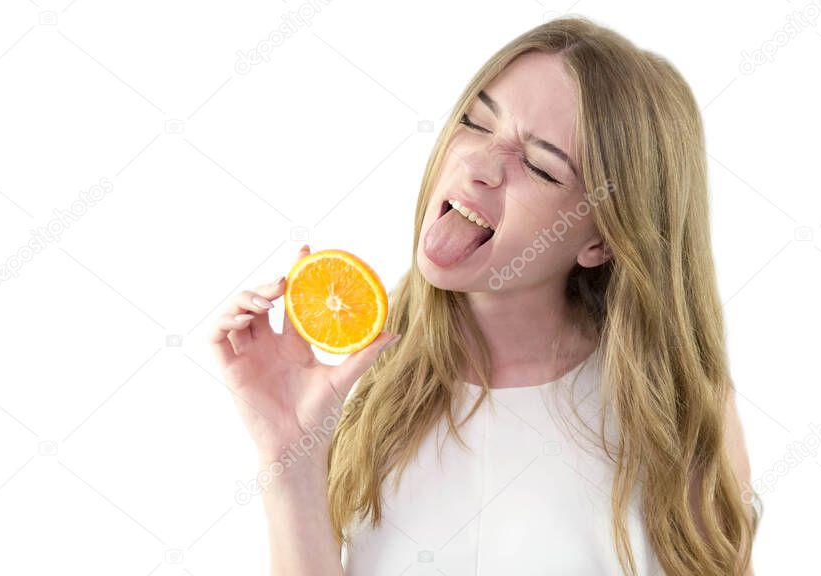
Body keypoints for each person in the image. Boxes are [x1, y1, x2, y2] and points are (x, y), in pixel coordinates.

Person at [210, 15, 760, 576]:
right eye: (475, 121)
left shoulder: (680, 410)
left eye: (541, 167)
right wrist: (289, 457)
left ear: (599, 240)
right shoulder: (358, 383)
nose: (478, 165)